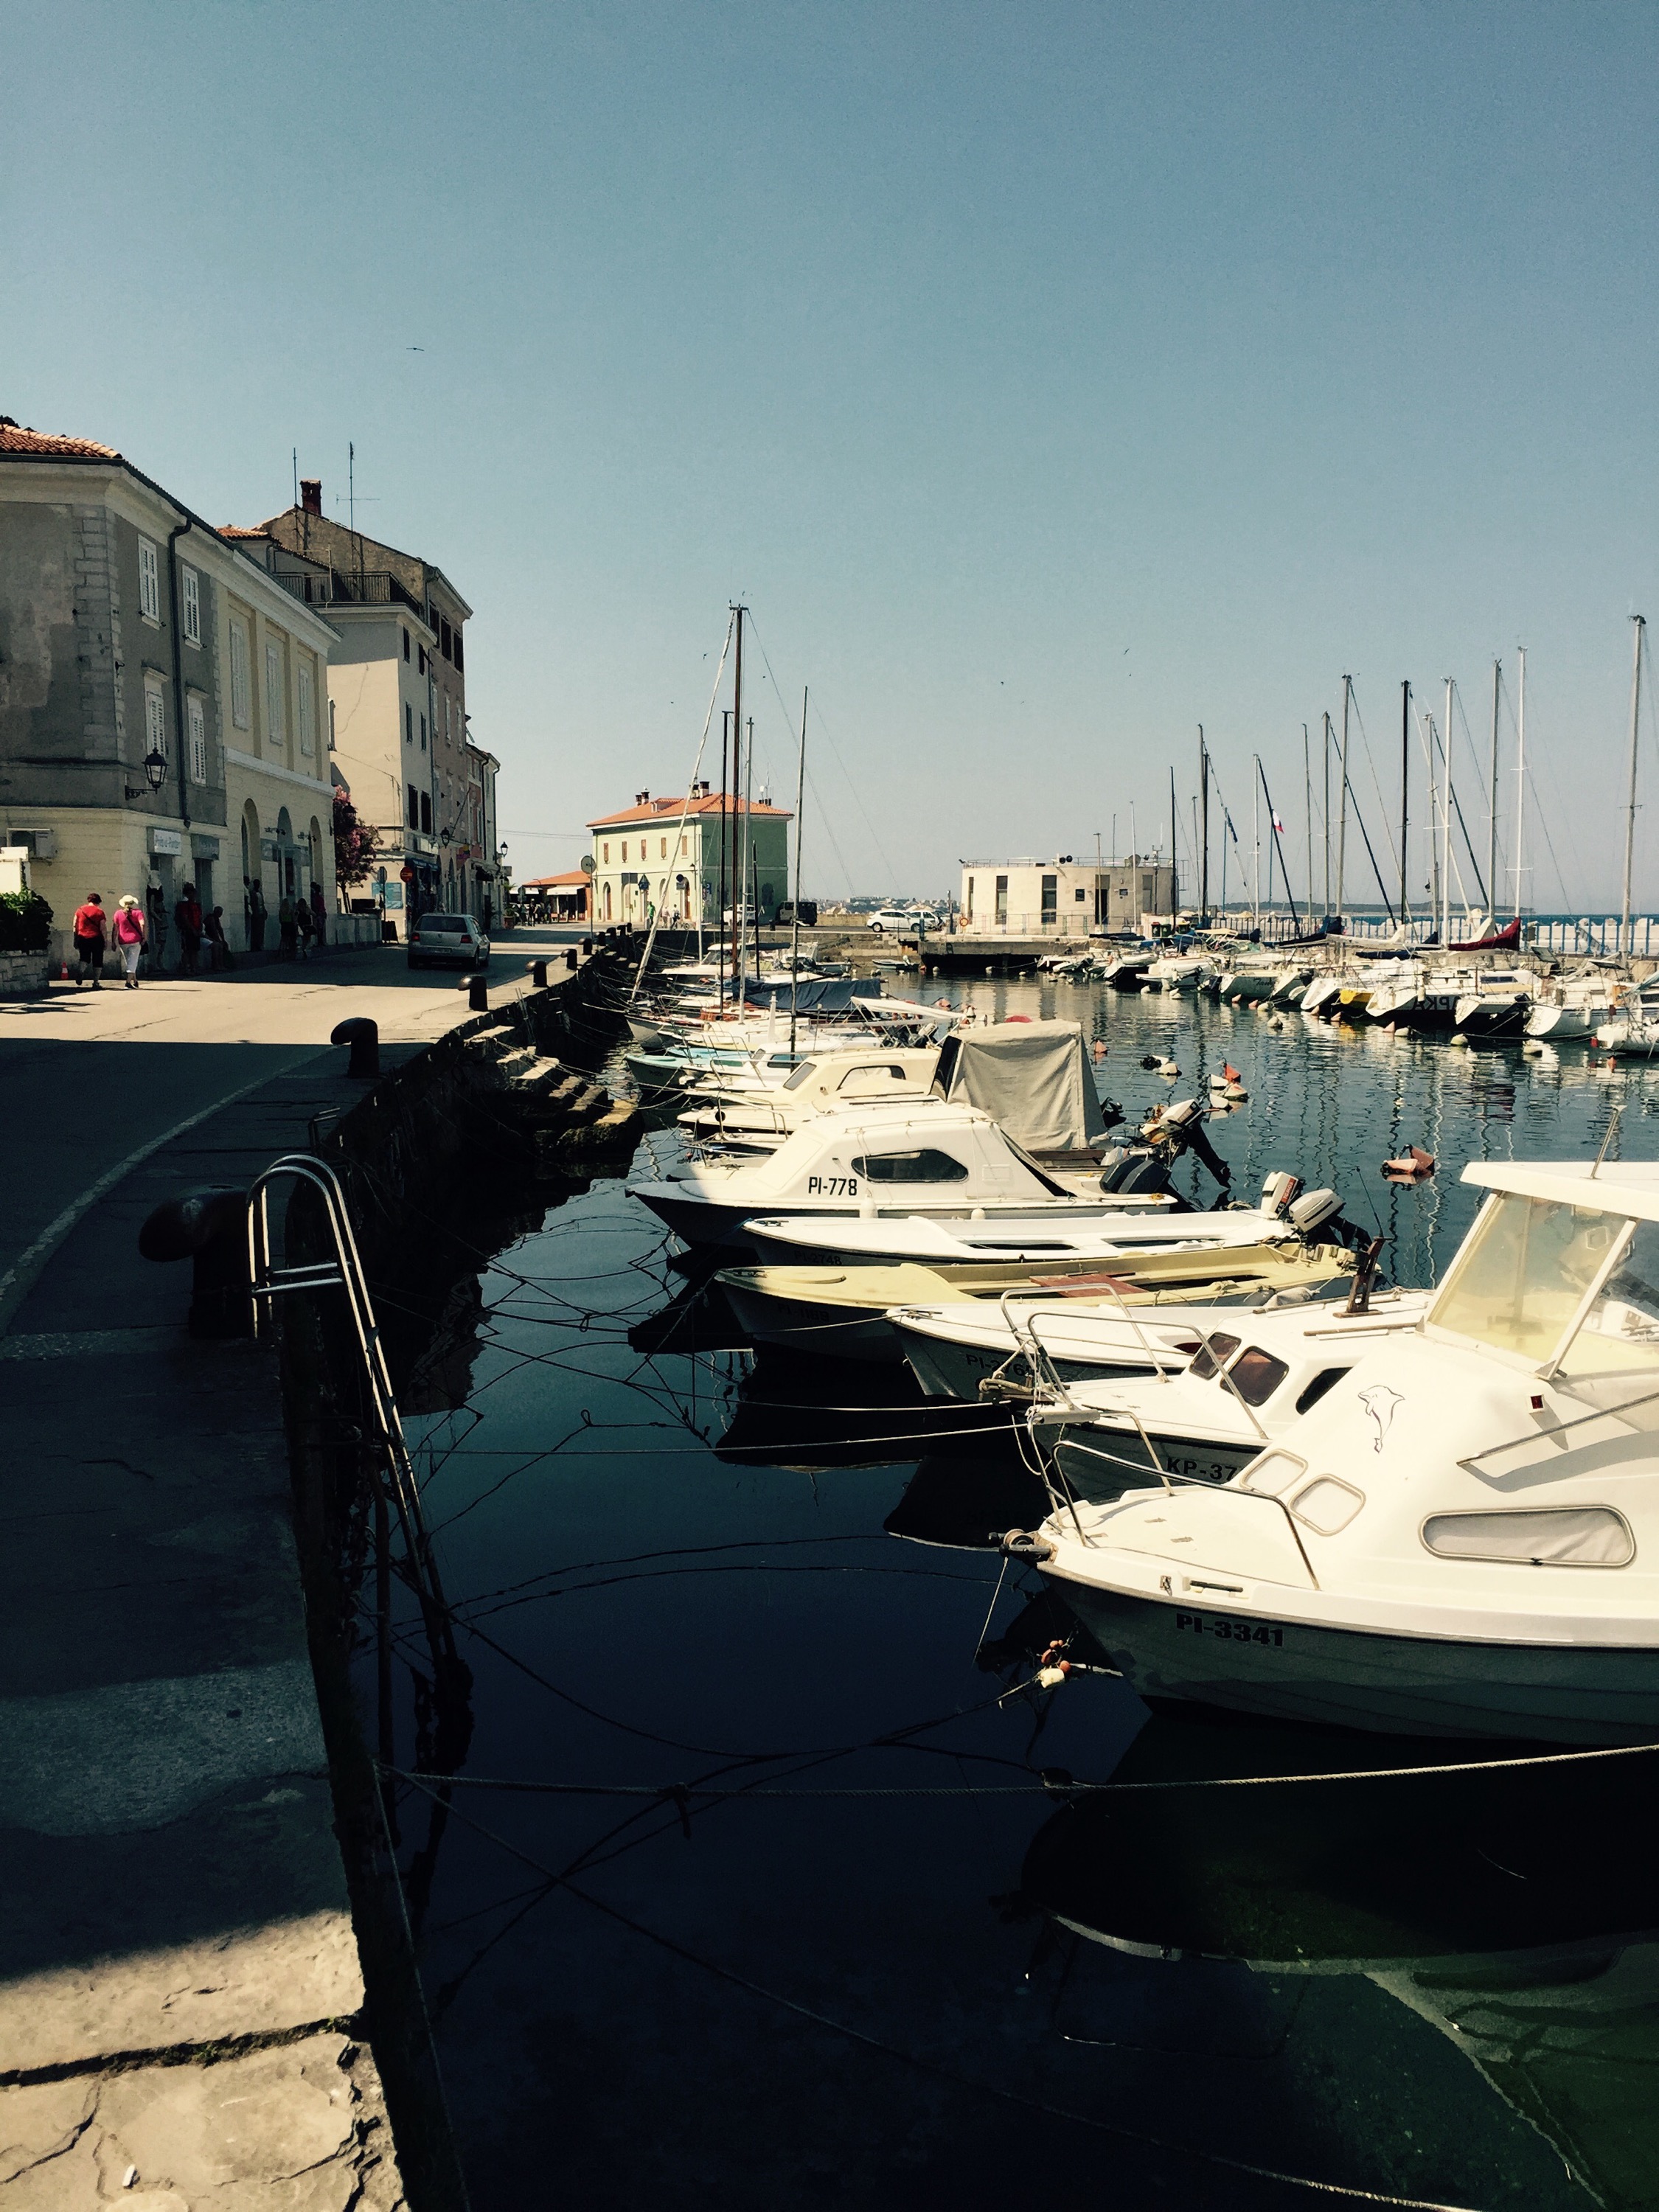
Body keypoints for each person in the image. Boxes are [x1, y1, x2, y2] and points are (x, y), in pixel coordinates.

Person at [72, 892, 108, 987]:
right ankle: (96, 982)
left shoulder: (80, 910)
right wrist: (105, 941)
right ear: (98, 902)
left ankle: (80, 971)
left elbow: (75, 925)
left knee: (84, 957)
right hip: (96, 938)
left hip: (83, 937)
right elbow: (103, 928)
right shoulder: (99, 912)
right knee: (98, 960)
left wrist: (75, 938)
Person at [111, 895, 146, 987]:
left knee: (129, 961)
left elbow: (115, 929)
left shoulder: (118, 914)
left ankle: (135, 980)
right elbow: (142, 924)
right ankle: (128, 982)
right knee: (133, 961)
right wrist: (144, 936)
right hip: (135, 940)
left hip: (122, 940)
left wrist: (113, 941)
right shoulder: (138, 913)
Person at [175, 883, 203, 975]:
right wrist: (193, 929)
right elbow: (185, 918)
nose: (194, 895)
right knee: (187, 950)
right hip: (187, 930)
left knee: (195, 950)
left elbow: (199, 917)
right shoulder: (184, 905)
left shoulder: (196, 905)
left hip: (196, 929)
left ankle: (194, 967)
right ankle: (186, 968)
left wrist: (199, 928)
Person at [145, 880, 168, 977]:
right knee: (159, 942)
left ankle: (160, 964)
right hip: (159, 920)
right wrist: (159, 919)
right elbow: (151, 910)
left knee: (163, 942)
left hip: (162, 919)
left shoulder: (159, 898)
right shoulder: (153, 896)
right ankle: (156, 964)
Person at [204, 905, 233, 971]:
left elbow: (220, 929)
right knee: (218, 946)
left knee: (222, 945)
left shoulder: (216, 919)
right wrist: (219, 940)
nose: (220, 915)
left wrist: (223, 939)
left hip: (211, 937)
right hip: (208, 936)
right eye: (220, 913)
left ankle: (222, 964)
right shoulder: (211, 918)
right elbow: (214, 930)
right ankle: (216, 965)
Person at [245, 877, 268, 953]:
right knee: (255, 930)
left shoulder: (260, 893)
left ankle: (260, 944)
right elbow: (252, 903)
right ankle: (255, 945)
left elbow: (262, 903)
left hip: (261, 913)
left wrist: (264, 911)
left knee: (261, 930)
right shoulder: (252, 893)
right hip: (256, 913)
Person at [277, 891, 298, 959]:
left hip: (284, 926)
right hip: (290, 925)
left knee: (283, 940)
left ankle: (282, 953)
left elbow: (280, 920)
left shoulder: (281, 911)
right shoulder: (290, 910)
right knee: (291, 940)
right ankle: (291, 953)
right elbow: (293, 919)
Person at [294, 891, 314, 961]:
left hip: (301, 926)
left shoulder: (298, 910)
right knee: (308, 939)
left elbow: (296, 918)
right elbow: (314, 914)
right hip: (308, 926)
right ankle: (305, 950)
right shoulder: (307, 909)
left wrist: (296, 924)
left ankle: (303, 950)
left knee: (303, 939)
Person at [309, 880, 327, 950]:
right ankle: (319, 941)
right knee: (320, 928)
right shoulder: (316, 897)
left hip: (321, 913)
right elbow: (316, 905)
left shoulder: (317, 897)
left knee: (321, 928)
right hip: (319, 913)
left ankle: (320, 941)